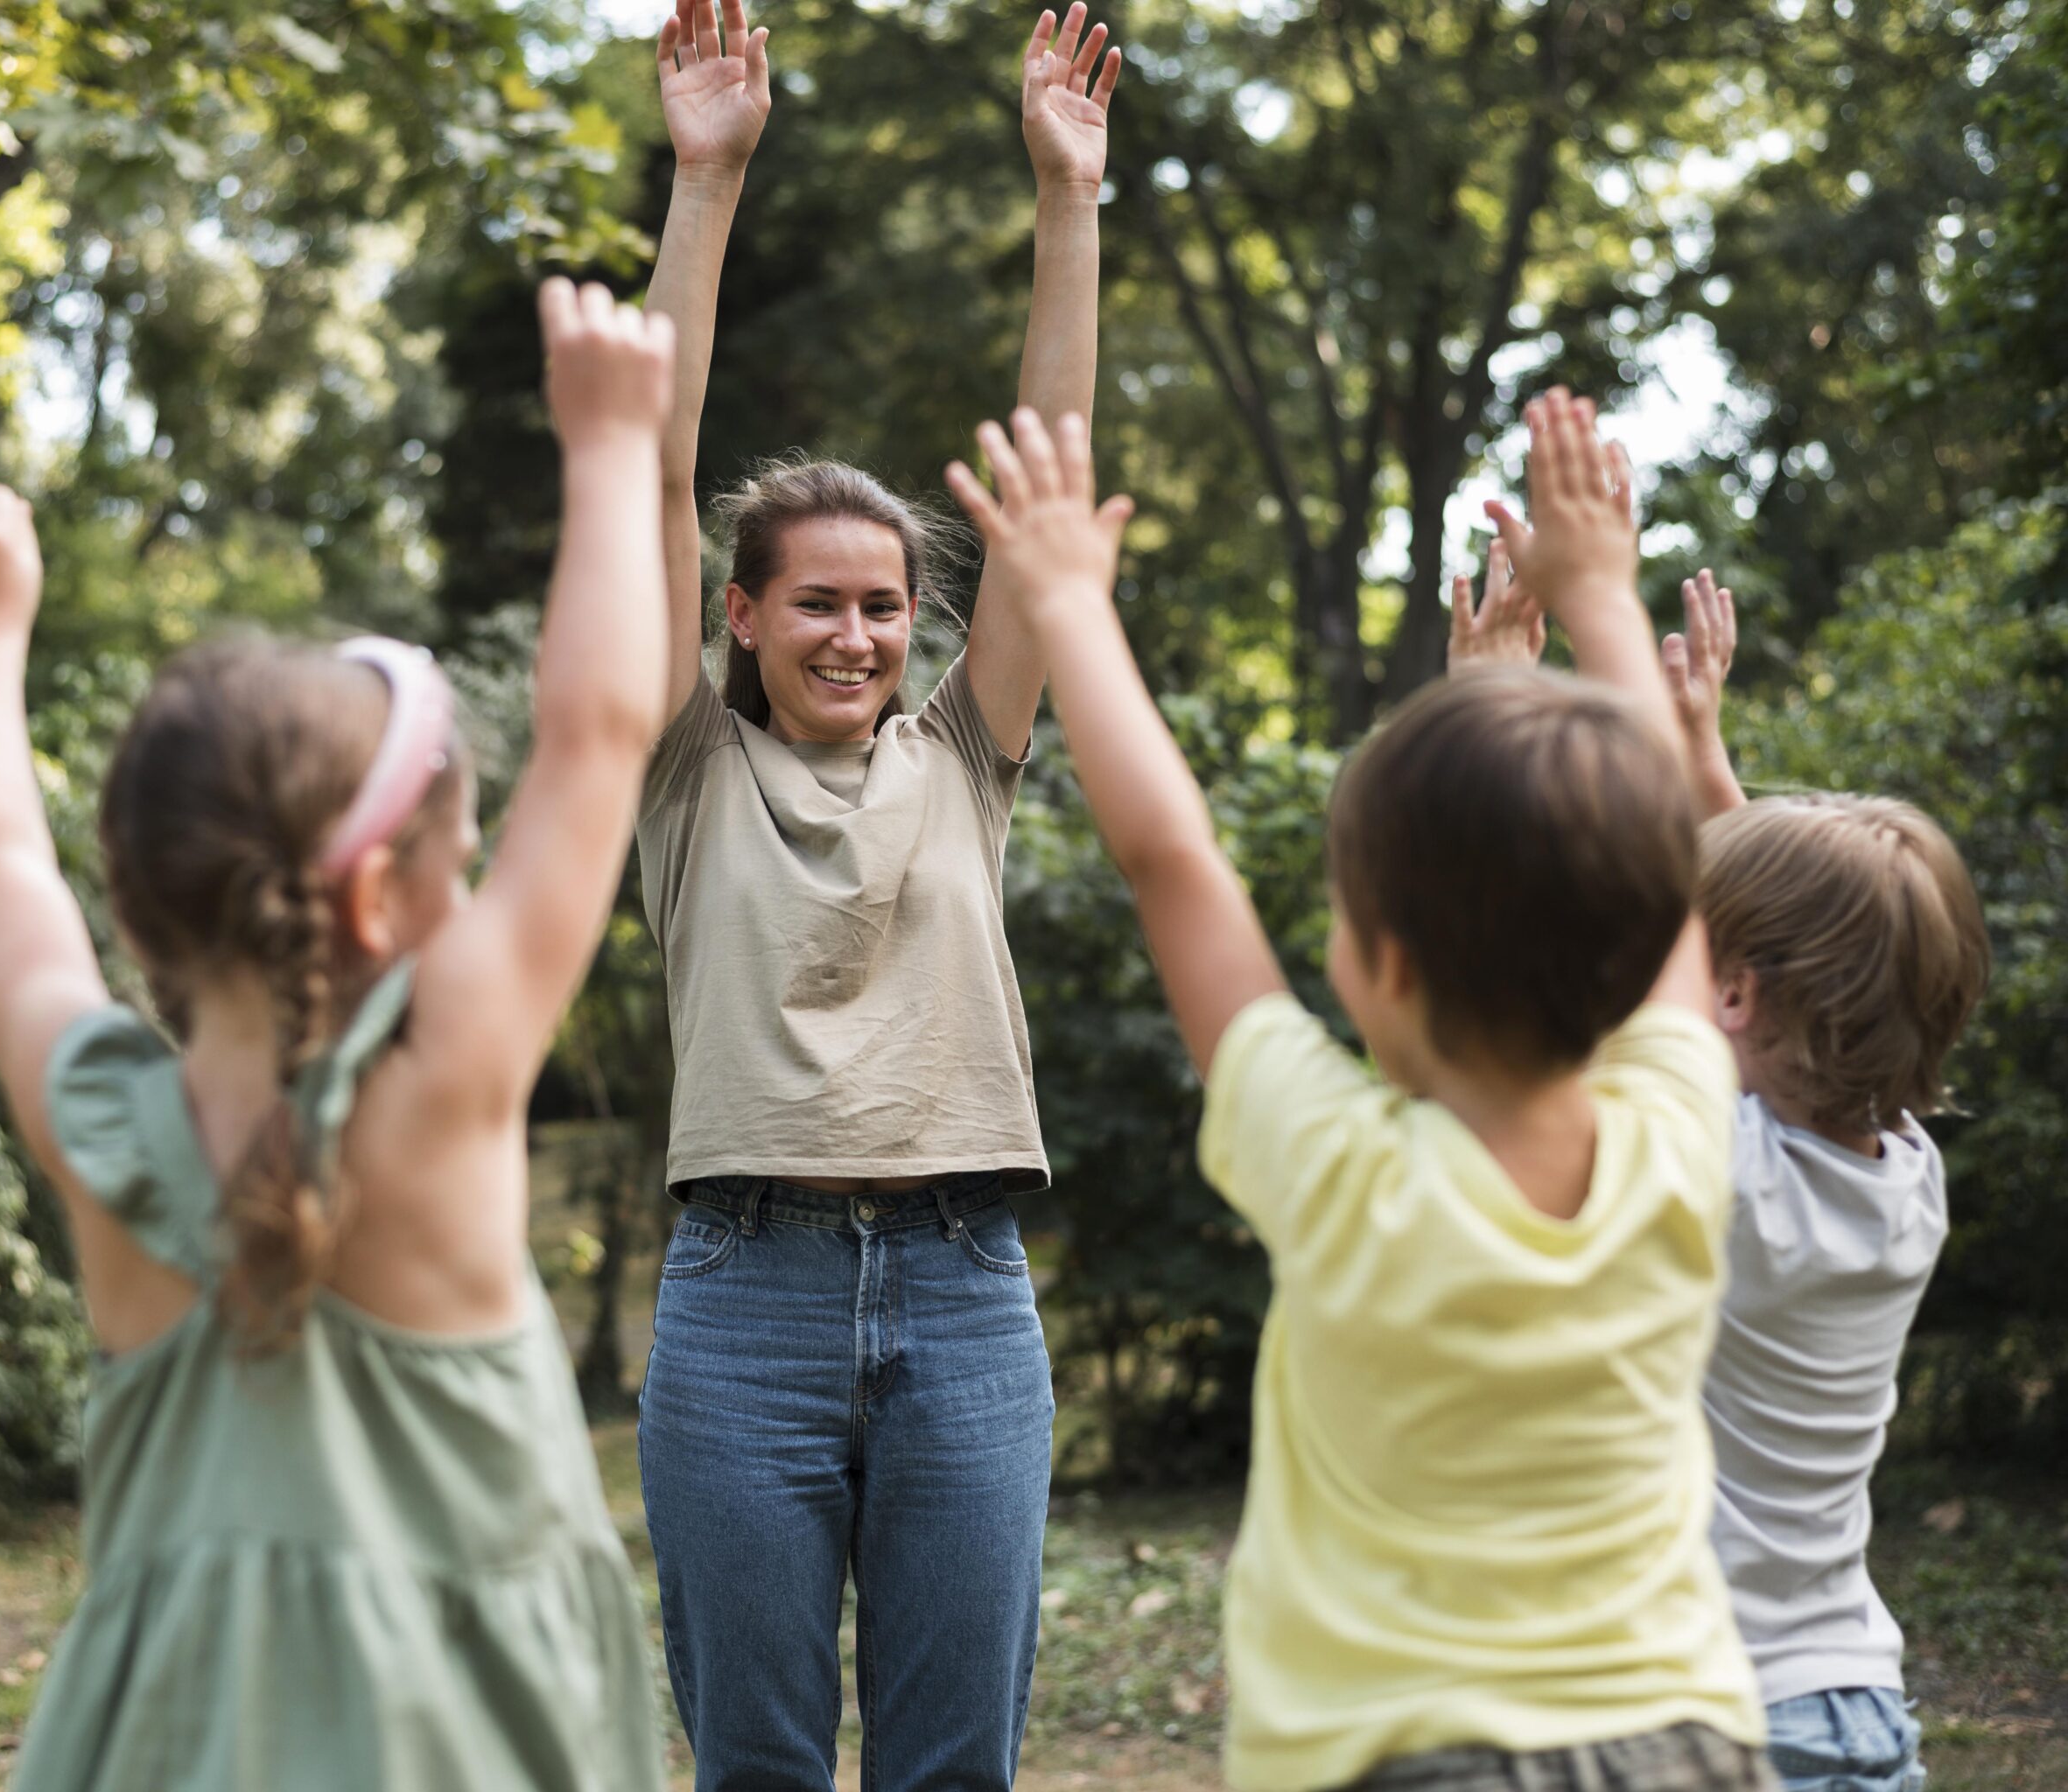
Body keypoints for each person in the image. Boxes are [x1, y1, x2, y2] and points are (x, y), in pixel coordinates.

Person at [0, 282, 676, 1792]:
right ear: (387, 897)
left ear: (138, 899)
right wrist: (609, 441)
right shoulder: (444, 1080)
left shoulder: (101, 1119)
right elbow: (596, 734)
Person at [946, 391, 1774, 1791]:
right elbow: (1661, 880)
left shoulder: (1339, 1172)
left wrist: (1071, 603)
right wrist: (1598, 600)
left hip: (1399, 1761)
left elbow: (1174, 862)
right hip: (1684, 1745)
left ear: (1380, 964)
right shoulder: (1683, 1135)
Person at [630, 3, 1120, 1785]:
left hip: (963, 1289)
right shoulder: (682, 761)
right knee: (751, 1763)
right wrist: (708, 177)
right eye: (814, 600)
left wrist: (1066, 201)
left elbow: (1043, 491)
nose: (856, 631)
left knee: (950, 1770)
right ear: (738, 615)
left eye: (881, 604)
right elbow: (644, 466)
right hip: (740, 1296)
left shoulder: (958, 758)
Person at [1661, 570, 1990, 1792]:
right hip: (1856, 1709)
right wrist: (1701, 749)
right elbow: (1829, 943)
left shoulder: (1719, 1170)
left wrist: (1525, 674)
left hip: (1718, 1724)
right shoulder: (1908, 1185)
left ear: (1735, 994)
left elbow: (1712, 969)